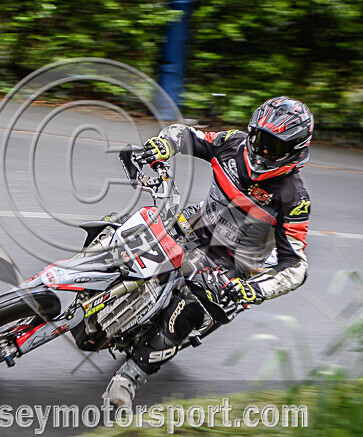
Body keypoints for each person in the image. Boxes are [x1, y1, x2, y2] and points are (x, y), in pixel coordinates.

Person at [103, 96, 314, 408]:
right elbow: (185, 134)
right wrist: (164, 145)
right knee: (122, 232)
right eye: (259, 139)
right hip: (194, 223)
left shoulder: (295, 199)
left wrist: (254, 290)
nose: (262, 151)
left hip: (234, 263)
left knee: (191, 307)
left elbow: (295, 266)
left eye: (274, 147)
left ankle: (129, 377)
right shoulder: (233, 143)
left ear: (295, 151)